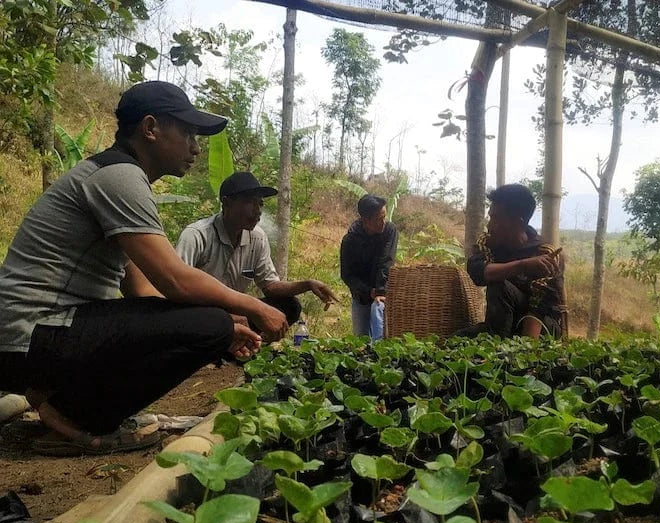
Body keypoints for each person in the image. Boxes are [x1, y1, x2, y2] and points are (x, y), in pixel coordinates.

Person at [0, 80, 288, 455]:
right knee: (211, 323)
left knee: (211, 324)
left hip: (41, 334)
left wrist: (221, 326)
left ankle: (58, 394)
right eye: (187, 133)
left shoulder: (117, 176)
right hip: (30, 333)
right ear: (150, 129)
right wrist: (251, 307)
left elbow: (143, 291)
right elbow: (173, 280)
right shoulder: (118, 176)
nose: (196, 148)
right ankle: (74, 415)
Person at [175, 171, 339, 330]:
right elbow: (177, 289)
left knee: (290, 306)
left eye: (260, 203)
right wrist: (229, 319)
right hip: (201, 314)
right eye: (249, 202)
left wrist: (307, 285)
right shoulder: (197, 235)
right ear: (226, 203)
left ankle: (242, 346)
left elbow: (270, 286)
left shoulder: (257, 238)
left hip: (237, 311)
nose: (257, 210)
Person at [464, 183, 565, 338]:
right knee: (451, 343)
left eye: (496, 218)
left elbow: (538, 309)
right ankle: (494, 343)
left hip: (540, 327)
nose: (490, 225)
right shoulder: (489, 244)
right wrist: (523, 266)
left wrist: (524, 355)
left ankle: (498, 350)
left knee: (500, 284)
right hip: (500, 324)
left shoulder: (545, 254)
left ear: (517, 222)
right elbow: (478, 272)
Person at [339, 195, 398, 339]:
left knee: (383, 339)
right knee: (361, 340)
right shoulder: (350, 240)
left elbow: (386, 261)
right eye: (379, 219)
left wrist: (380, 291)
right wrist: (368, 291)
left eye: (384, 217)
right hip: (361, 296)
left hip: (382, 295)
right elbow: (347, 275)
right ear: (366, 220)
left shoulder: (389, 231)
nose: (383, 222)